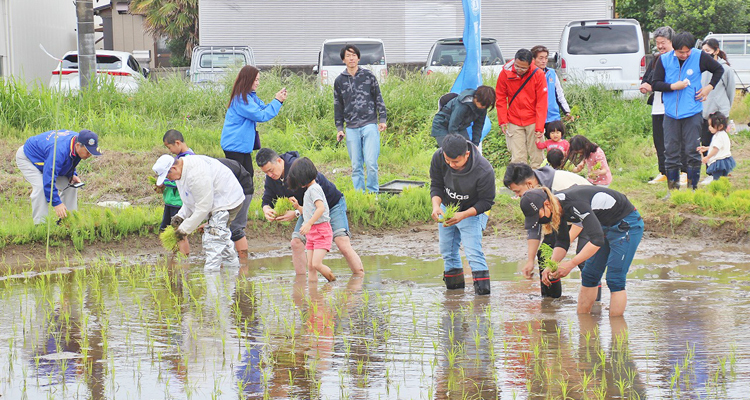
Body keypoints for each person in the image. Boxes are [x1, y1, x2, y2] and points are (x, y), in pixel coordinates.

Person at [521, 186, 643, 316]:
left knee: (615, 279)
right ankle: (584, 327)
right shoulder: (557, 206)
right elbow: (563, 241)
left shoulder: (573, 204)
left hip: (627, 225)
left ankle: (617, 333)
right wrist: (551, 265)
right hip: (603, 226)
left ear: (546, 204)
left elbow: (596, 240)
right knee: (589, 275)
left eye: (537, 215)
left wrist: (571, 264)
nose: (538, 220)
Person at [255, 148, 364, 276]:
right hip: (306, 210)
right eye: (266, 173)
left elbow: (317, 202)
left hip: (331, 204)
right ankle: (300, 284)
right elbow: (267, 198)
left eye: (270, 170)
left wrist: (296, 213)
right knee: (296, 243)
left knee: (341, 241)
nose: (269, 175)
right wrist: (266, 209)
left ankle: (359, 280)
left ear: (279, 161)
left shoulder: (298, 168)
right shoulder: (272, 177)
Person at [503, 162, 590, 298]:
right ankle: (551, 300)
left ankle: (594, 303)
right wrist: (530, 260)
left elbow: (580, 223)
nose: (517, 196)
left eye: (517, 191)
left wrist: (562, 246)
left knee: (585, 258)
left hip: (589, 215)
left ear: (529, 184)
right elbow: (534, 227)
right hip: (563, 218)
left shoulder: (559, 186)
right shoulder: (534, 195)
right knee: (545, 253)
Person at [652, 31, 724, 192]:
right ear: (674, 49)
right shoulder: (664, 59)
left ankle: (693, 188)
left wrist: (708, 88)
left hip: (692, 112)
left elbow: (719, 70)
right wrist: (672, 87)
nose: (685, 55)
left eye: (687, 51)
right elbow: (655, 83)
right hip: (670, 114)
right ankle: (673, 191)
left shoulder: (699, 56)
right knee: (670, 152)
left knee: (692, 151)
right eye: (681, 52)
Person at [152, 154, 245, 270]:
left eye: (167, 175)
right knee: (223, 240)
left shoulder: (196, 174)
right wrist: (180, 216)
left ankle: (212, 279)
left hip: (226, 200)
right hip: (213, 201)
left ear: (174, 168)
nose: (168, 179)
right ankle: (233, 272)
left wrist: (183, 230)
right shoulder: (180, 173)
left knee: (213, 240)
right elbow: (189, 199)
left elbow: (203, 207)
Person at [430, 134, 495, 295]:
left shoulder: (483, 169)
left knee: (473, 252)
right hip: (447, 207)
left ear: (466, 154)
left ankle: (482, 298)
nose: (451, 165)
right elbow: (436, 185)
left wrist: (463, 215)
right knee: (447, 250)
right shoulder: (438, 157)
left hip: (473, 210)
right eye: (448, 161)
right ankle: (454, 295)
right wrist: (436, 205)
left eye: (456, 162)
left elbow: (486, 202)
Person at [16, 129, 102, 224]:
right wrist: (56, 203)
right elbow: (49, 177)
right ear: (78, 145)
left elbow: (70, 159)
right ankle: (41, 226)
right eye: (88, 152)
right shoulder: (59, 150)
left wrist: (71, 174)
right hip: (29, 158)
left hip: (47, 159)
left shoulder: (79, 141)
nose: (89, 155)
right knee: (41, 187)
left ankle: (68, 222)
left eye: (91, 152)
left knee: (71, 185)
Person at [334, 44, 388, 194]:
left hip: (369, 123)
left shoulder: (368, 75)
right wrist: (339, 128)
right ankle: (359, 195)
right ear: (343, 59)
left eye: (354, 55)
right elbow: (338, 106)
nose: (351, 58)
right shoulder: (339, 81)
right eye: (348, 56)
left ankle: (373, 193)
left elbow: (378, 97)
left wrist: (382, 118)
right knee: (356, 165)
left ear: (358, 57)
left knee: (371, 163)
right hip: (351, 127)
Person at [221, 65, 287, 186]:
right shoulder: (241, 99)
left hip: (242, 146)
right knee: (239, 180)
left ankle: (243, 203)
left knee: (247, 176)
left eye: (258, 80)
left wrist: (278, 101)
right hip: (234, 146)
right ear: (248, 80)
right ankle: (237, 203)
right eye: (256, 80)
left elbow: (264, 109)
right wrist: (277, 101)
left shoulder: (250, 97)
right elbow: (261, 116)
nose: (258, 83)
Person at [495, 48, 548, 168]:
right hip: (514, 120)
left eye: (523, 68)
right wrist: (503, 120)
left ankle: (538, 184)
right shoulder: (505, 72)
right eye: (517, 66)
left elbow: (542, 102)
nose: (519, 70)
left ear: (530, 64)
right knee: (518, 158)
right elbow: (501, 98)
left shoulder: (538, 74)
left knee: (537, 157)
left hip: (533, 120)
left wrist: (540, 127)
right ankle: (521, 184)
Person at [286, 157, 337, 282]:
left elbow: (321, 208)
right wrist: (298, 207)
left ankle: (333, 281)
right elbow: (309, 212)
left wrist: (309, 223)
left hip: (321, 231)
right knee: (310, 266)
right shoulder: (309, 190)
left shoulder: (314, 189)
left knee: (316, 264)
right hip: (312, 233)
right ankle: (313, 293)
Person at [641, 26, 675, 185]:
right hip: (657, 107)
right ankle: (664, 172)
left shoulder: (677, 59)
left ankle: (678, 171)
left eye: (663, 43)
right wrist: (644, 86)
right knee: (659, 141)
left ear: (671, 42)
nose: (660, 46)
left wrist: (653, 86)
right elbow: (647, 78)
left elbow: (672, 83)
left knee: (673, 141)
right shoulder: (655, 59)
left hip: (672, 107)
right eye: (658, 43)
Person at [699, 38, 736, 185]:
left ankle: (719, 173)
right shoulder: (701, 68)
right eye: (703, 52)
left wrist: (725, 110)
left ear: (716, 51)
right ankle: (711, 172)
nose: (705, 54)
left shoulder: (725, 69)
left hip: (719, 113)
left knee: (720, 144)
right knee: (706, 142)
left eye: (707, 51)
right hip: (704, 112)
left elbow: (730, 92)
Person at [431, 86, 496, 146]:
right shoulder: (463, 104)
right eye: (482, 104)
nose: (483, 107)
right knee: (450, 150)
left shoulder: (483, 108)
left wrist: (475, 144)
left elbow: (478, 127)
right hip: (442, 125)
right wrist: (459, 144)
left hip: (460, 127)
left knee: (468, 149)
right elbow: (453, 127)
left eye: (486, 106)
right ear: (475, 97)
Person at [216, 158, 253, 260]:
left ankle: (244, 262)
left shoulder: (203, 172)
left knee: (235, 227)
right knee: (221, 225)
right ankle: (226, 260)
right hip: (228, 188)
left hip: (243, 187)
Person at [158, 129, 195, 231]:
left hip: (179, 203)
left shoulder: (188, 159)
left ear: (177, 143)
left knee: (176, 230)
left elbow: (181, 179)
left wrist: (164, 182)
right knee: (165, 229)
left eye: (169, 147)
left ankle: (178, 247)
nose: (170, 151)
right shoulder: (179, 158)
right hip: (171, 200)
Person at [530, 45, 571, 129]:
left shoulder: (551, 73)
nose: (544, 61)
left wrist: (567, 111)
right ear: (533, 60)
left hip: (553, 116)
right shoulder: (529, 75)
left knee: (557, 140)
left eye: (546, 58)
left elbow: (559, 93)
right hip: (535, 117)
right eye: (540, 58)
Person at [697, 111, 736, 181]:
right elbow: (719, 147)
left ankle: (718, 189)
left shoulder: (718, 136)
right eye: (709, 125)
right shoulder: (723, 134)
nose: (709, 128)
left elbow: (716, 149)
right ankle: (724, 188)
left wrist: (707, 157)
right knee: (723, 178)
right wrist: (706, 148)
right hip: (726, 160)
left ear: (720, 126)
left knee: (717, 179)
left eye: (712, 126)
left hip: (719, 162)